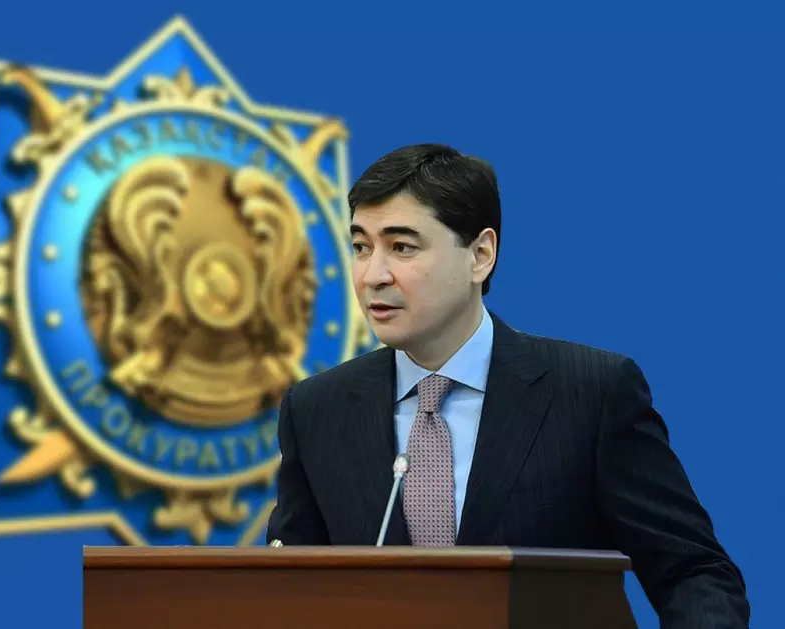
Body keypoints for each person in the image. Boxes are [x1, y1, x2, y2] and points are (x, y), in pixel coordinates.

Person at [265, 143, 749, 628]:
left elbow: (695, 575)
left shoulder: (591, 393)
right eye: (361, 247)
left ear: (480, 255)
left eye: (402, 247)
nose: (373, 275)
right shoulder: (317, 410)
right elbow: (283, 593)